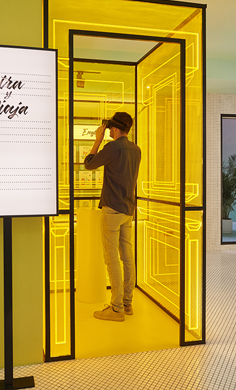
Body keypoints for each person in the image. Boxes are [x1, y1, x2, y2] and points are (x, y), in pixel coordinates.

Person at [84, 112, 141, 322]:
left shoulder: (113, 147)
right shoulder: (136, 149)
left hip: (112, 210)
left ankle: (116, 308)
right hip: (128, 210)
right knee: (127, 257)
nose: (107, 132)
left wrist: (97, 141)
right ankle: (127, 303)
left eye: (109, 129)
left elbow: (89, 164)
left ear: (115, 129)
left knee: (111, 258)